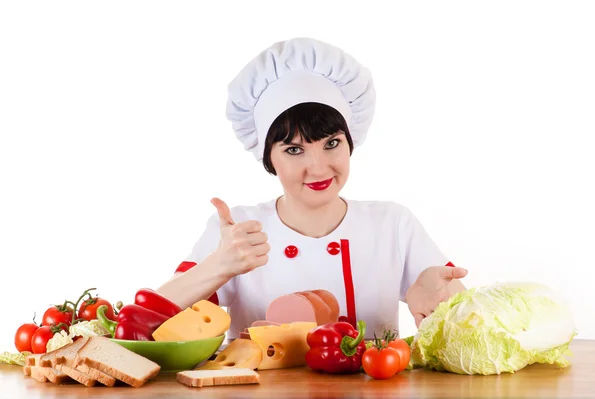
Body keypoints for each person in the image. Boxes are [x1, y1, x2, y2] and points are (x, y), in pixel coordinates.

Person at [156, 37, 468, 340]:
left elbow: (458, 302)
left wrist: (442, 297)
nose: (318, 167)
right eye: (294, 150)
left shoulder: (392, 223)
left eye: (332, 143)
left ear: (350, 143)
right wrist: (219, 265)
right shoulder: (237, 231)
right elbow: (152, 321)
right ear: (268, 157)